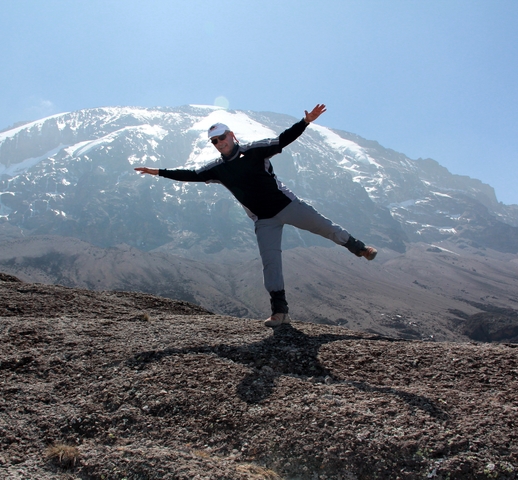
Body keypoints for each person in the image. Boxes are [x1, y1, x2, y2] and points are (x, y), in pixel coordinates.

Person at [135, 104, 377, 327]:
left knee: (325, 226)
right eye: (214, 141)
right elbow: (190, 174)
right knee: (270, 263)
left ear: (232, 135)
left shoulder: (254, 151)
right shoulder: (217, 169)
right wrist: (158, 172)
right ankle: (280, 312)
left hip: (288, 206)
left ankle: (360, 248)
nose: (219, 143)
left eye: (221, 138)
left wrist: (305, 122)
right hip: (264, 220)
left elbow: (283, 140)